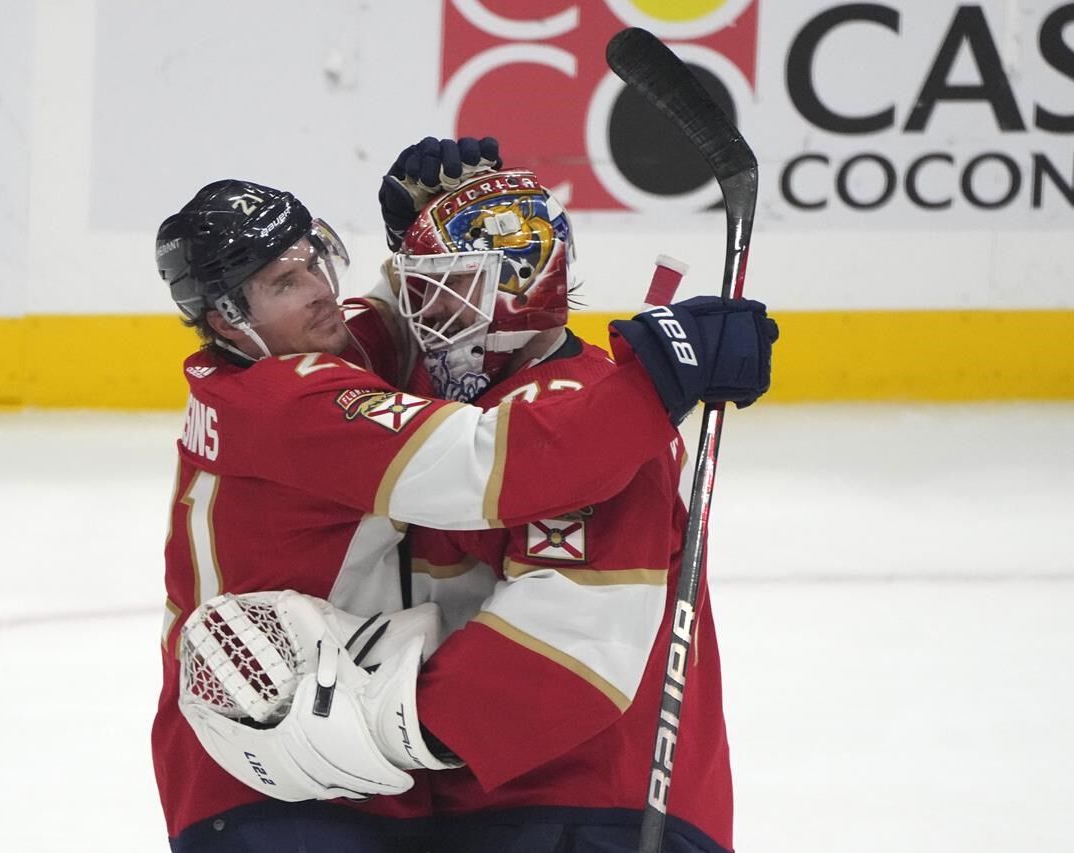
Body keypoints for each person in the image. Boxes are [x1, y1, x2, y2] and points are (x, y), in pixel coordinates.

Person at [150, 155, 776, 852]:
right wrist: (660, 376)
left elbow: (387, 322)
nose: (324, 291)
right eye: (284, 283)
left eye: (316, 260)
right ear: (227, 318)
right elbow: (489, 462)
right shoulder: (292, 401)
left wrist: (425, 244)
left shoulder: (278, 365)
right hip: (278, 763)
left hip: (311, 761)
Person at [380, 165, 743, 853]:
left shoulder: (580, 419)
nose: (427, 317)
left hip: (588, 808)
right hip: (519, 802)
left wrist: (385, 726)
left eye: (449, 290)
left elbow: (569, 648)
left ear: (517, 293)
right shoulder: (490, 414)